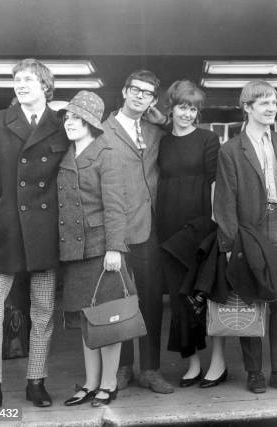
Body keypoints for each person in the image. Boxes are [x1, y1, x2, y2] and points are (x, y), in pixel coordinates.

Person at [0, 59, 69, 409]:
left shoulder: (61, 125)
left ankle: (36, 381)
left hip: (45, 230)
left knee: (42, 309)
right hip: (4, 229)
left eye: (28, 79)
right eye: (17, 80)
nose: (21, 85)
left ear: (45, 86)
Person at [213, 80, 277, 394]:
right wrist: (228, 244)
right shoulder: (231, 150)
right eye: (265, 103)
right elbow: (224, 200)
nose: (272, 108)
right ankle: (254, 372)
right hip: (250, 229)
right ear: (247, 108)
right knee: (251, 298)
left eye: (274, 102)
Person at [57, 90, 132, 407]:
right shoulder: (66, 153)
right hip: (74, 252)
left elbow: (116, 207)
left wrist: (114, 248)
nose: (70, 123)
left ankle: (109, 383)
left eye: (77, 117)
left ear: (91, 122)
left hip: (102, 251)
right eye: (68, 117)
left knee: (108, 320)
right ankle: (90, 383)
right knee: (86, 321)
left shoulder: (107, 153)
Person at [101, 70, 173, 394]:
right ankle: (121, 369)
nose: (140, 96)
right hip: (117, 231)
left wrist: (165, 118)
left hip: (151, 229)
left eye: (147, 93)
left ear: (153, 100)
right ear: (124, 90)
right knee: (119, 303)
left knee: (151, 303)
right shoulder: (102, 131)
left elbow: (183, 133)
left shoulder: (155, 131)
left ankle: (151, 369)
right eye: (135, 90)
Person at [155, 80, 225, 388]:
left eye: (193, 108)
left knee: (208, 296)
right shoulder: (163, 140)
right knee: (181, 298)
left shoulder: (208, 139)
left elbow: (215, 183)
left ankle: (219, 363)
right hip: (168, 227)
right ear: (172, 107)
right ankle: (193, 363)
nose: (188, 113)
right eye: (183, 106)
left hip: (199, 227)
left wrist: (214, 225)